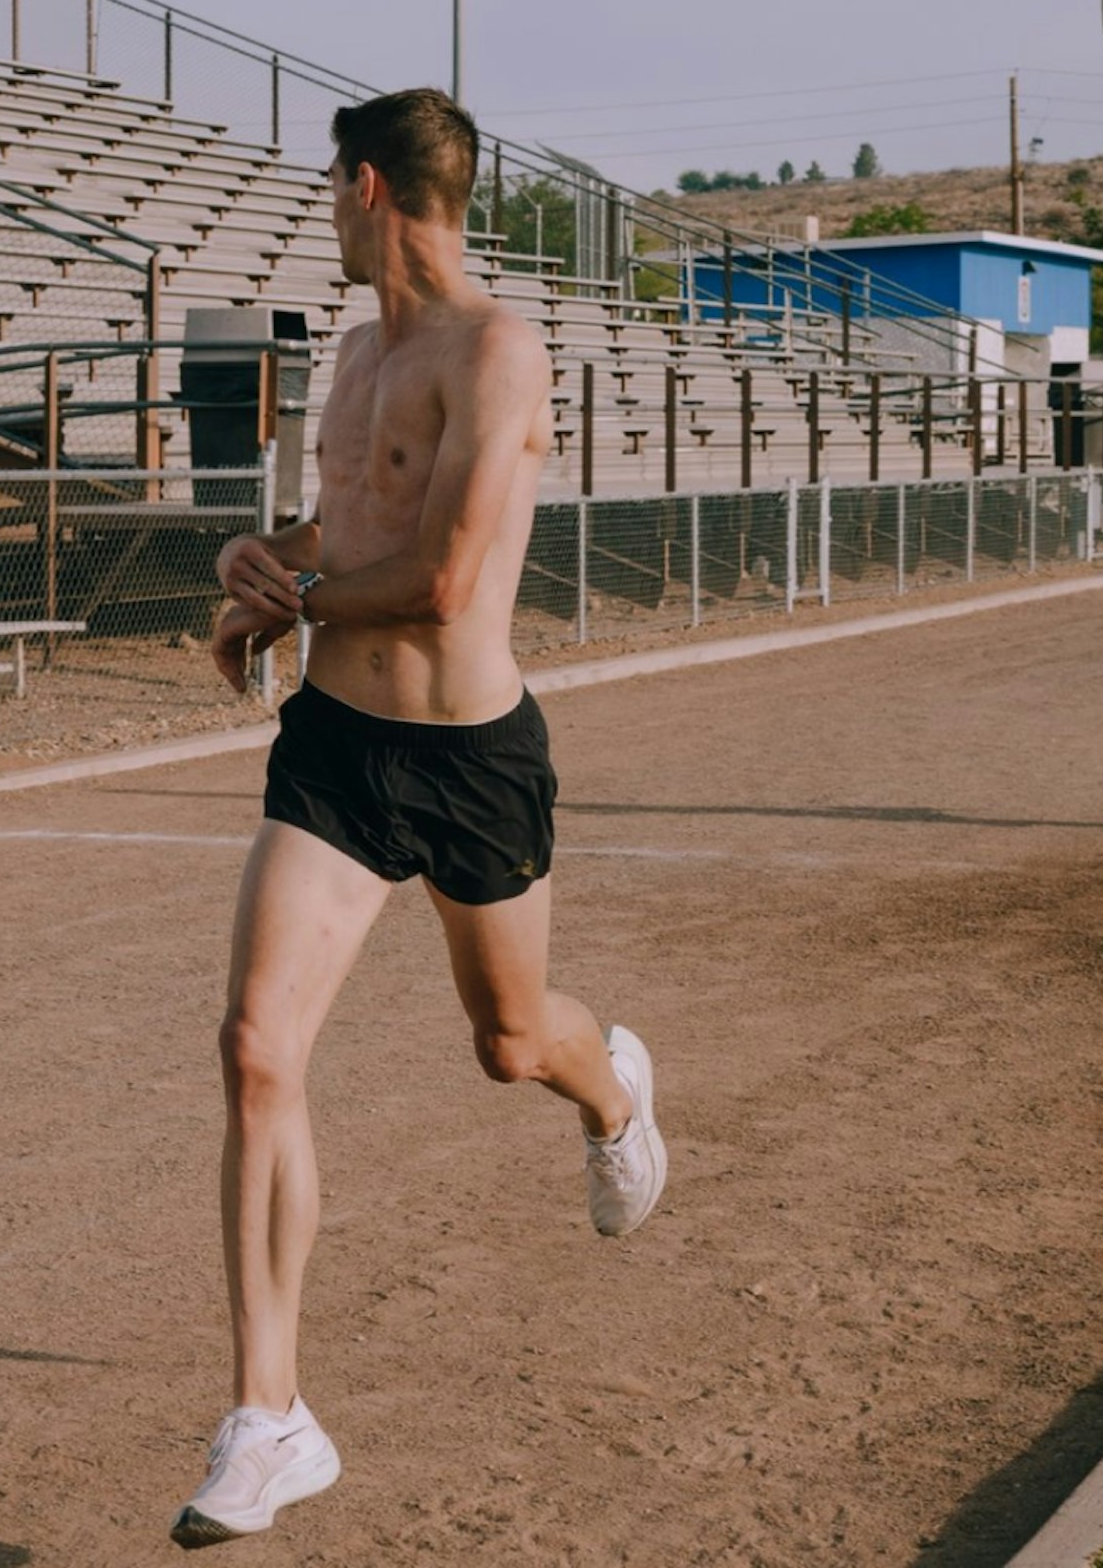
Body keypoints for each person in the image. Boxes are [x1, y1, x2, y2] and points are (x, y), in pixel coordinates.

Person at [170, 89, 666, 1549]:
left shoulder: (499, 350)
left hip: (470, 757)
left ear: (372, 186)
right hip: (337, 747)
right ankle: (272, 1417)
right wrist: (270, 573)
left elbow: (447, 580)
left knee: (511, 1044)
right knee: (257, 1048)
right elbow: (356, 531)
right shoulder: (356, 353)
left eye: (331, 184)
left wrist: (308, 594)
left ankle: (615, 1089)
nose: (324, 207)